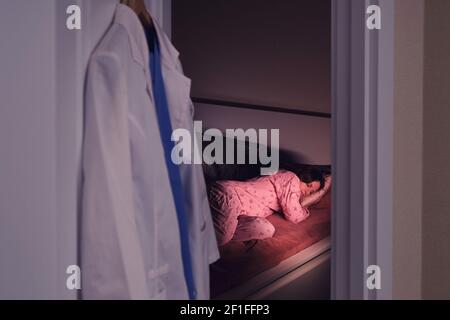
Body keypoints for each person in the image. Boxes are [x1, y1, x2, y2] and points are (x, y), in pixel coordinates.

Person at [209, 169, 332, 246]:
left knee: (266, 229)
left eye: (311, 193)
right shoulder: (291, 178)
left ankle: (211, 224)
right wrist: (306, 208)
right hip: (229, 194)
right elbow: (294, 216)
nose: (307, 192)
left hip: (239, 210)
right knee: (221, 237)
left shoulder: (288, 191)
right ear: (303, 177)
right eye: (308, 185)